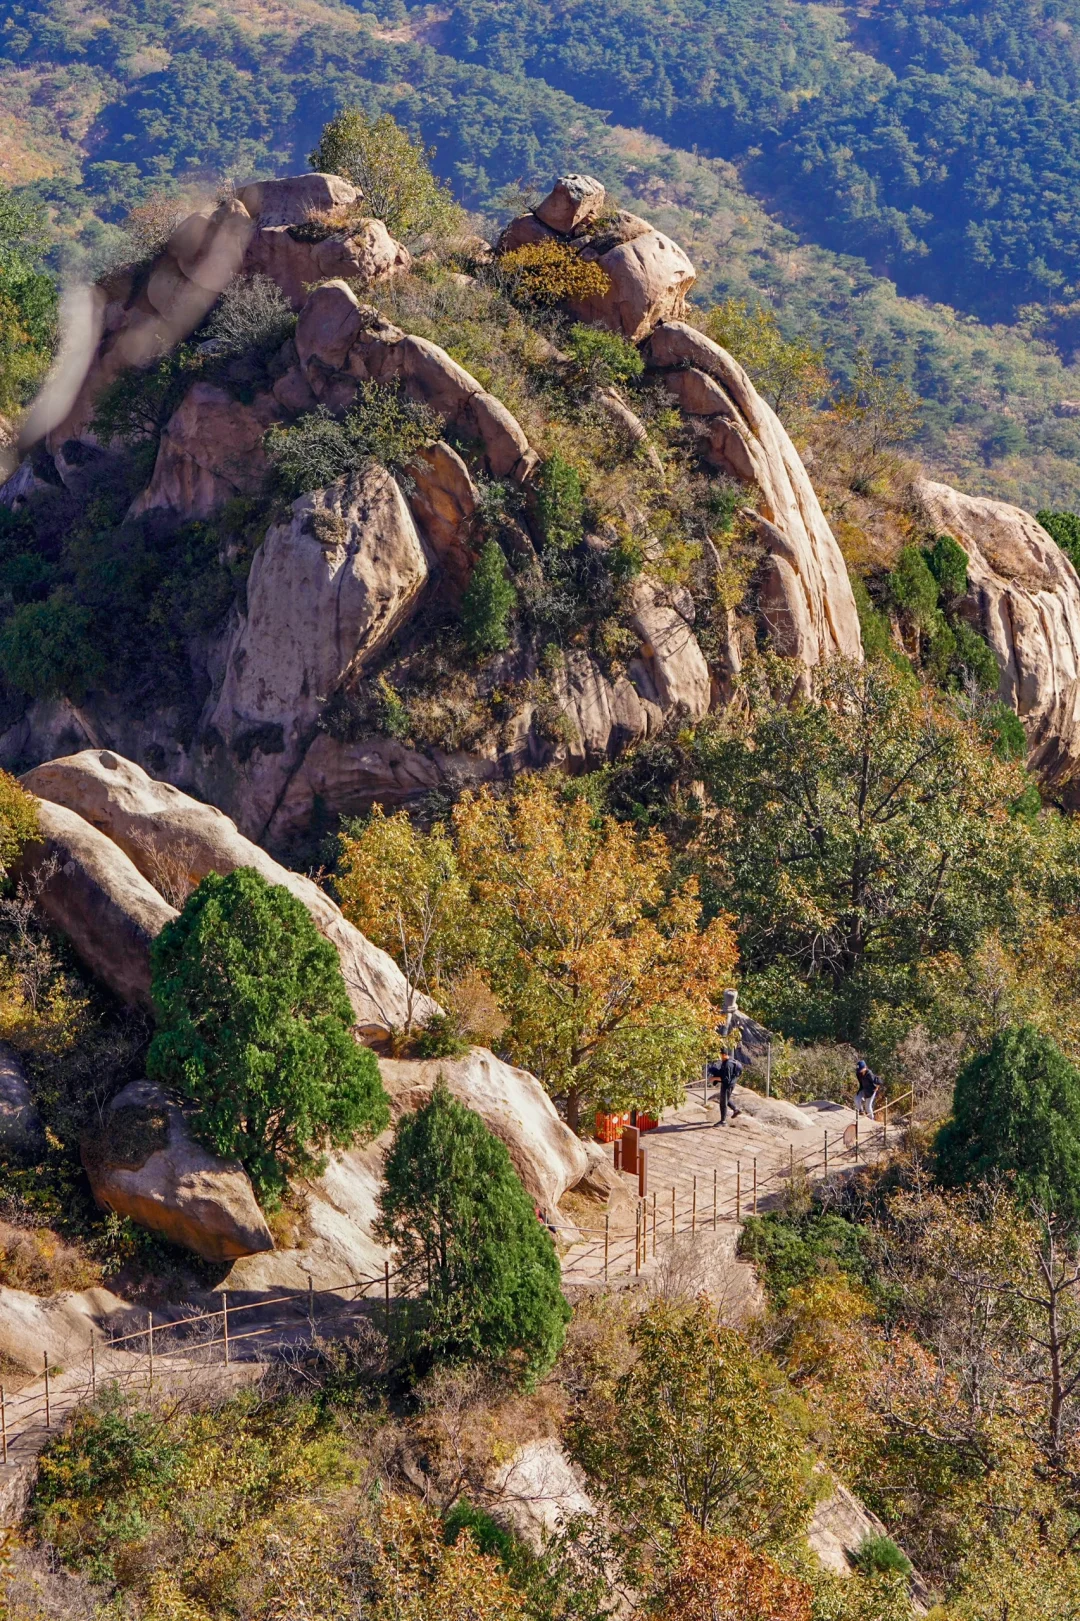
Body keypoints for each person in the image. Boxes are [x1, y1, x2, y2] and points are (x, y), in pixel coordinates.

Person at [711, 1049, 743, 1126]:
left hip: (728, 1084)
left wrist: (714, 1079)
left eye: (721, 1055)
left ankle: (723, 1121)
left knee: (723, 1102)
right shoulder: (729, 1060)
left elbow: (726, 1079)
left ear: (724, 1055)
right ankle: (735, 1110)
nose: (720, 1057)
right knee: (725, 1098)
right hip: (731, 1083)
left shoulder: (728, 1064)